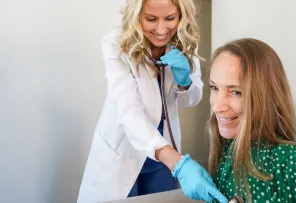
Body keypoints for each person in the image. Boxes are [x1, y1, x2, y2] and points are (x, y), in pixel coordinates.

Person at [77, 0, 227, 203]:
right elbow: (128, 110)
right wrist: (178, 163)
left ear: (181, 15)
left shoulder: (186, 41)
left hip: (162, 151)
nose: (161, 29)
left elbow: (192, 99)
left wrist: (184, 81)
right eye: (151, 19)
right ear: (137, 15)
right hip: (124, 148)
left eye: (170, 18)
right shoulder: (115, 44)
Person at [207, 38, 296, 203]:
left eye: (235, 92)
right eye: (214, 88)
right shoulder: (227, 156)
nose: (217, 106)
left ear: (265, 96)